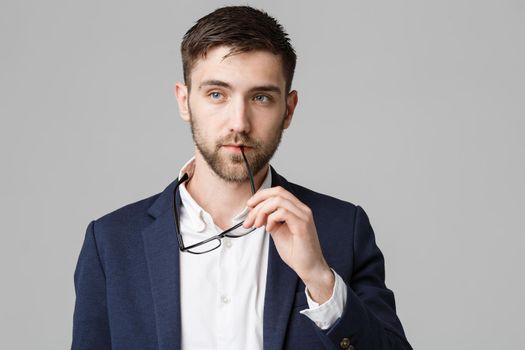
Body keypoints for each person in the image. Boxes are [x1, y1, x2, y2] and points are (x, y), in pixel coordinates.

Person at [72, 5, 412, 350]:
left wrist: (321, 281)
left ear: (288, 110)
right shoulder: (111, 243)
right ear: (185, 101)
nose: (239, 122)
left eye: (261, 97)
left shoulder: (342, 229)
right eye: (216, 94)